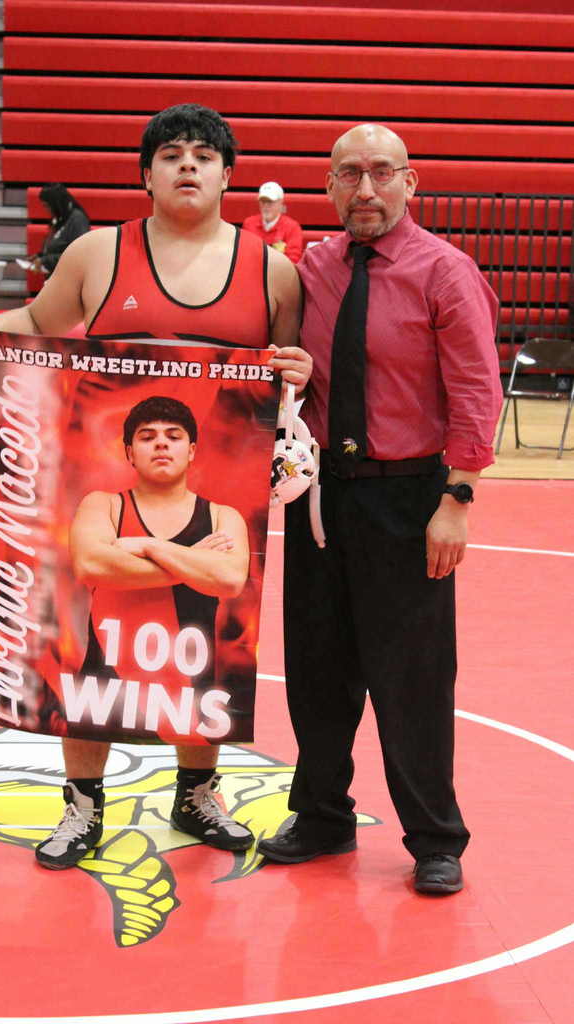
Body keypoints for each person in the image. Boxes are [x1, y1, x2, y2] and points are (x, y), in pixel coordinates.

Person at [0, 103, 310, 868]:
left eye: (203, 155)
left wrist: (297, 370)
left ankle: (195, 793)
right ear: (144, 173)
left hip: (216, 491)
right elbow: (38, 321)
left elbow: (294, 368)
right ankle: (82, 806)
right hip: (110, 481)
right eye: (171, 153)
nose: (187, 165)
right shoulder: (96, 253)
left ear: (225, 175)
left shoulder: (271, 270)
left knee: (201, 653)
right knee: (95, 655)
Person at [256, 123, 503, 895]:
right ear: (327, 186)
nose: (364, 190)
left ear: (410, 183)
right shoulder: (313, 266)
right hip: (322, 491)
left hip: (408, 494)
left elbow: (475, 393)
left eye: (380, 174)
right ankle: (323, 814)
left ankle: (436, 837)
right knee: (318, 666)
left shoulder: (444, 271)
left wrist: (455, 500)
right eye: (348, 175)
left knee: (412, 675)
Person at [44, 395, 251, 866]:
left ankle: (194, 801)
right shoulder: (105, 504)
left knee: (201, 698)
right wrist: (193, 559)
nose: (162, 445)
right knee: (91, 700)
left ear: (192, 450)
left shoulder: (222, 516)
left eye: (174, 437)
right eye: (148, 437)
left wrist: (142, 547)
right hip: (114, 643)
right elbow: (92, 563)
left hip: (188, 651)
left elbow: (230, 579)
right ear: (128, 452)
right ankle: (84, 809)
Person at [30, 183, 90, 274]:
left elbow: (79, 255)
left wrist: (46, 261)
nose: (46, 210)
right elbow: (58, 247)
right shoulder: (60, 219)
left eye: (47, 206)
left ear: (56, 204)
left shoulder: (77, 220)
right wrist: (41, 256)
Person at [243, 181, 303, 264]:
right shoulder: (249, 224)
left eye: (270, 202)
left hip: (280, 274)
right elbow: (244, 254)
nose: (266, 206)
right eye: (263, 201)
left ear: (280, 202)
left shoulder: (292, 227)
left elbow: (293, 260)